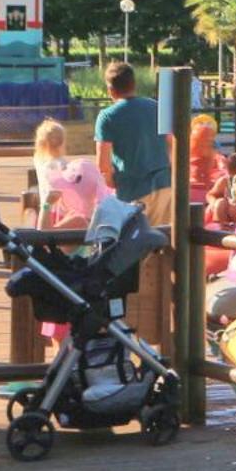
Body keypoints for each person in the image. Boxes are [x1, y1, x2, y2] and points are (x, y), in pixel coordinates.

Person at [94, 61, 174, 344]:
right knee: (165, 248)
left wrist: (111, 179)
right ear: (133, 83)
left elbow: (103, 164)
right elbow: (171, 143)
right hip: (165, 185)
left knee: (130, 258)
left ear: (109, 88)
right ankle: (170, 319)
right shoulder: (155, 107)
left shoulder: (107, 116)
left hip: (132, 193)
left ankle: (131, 325)